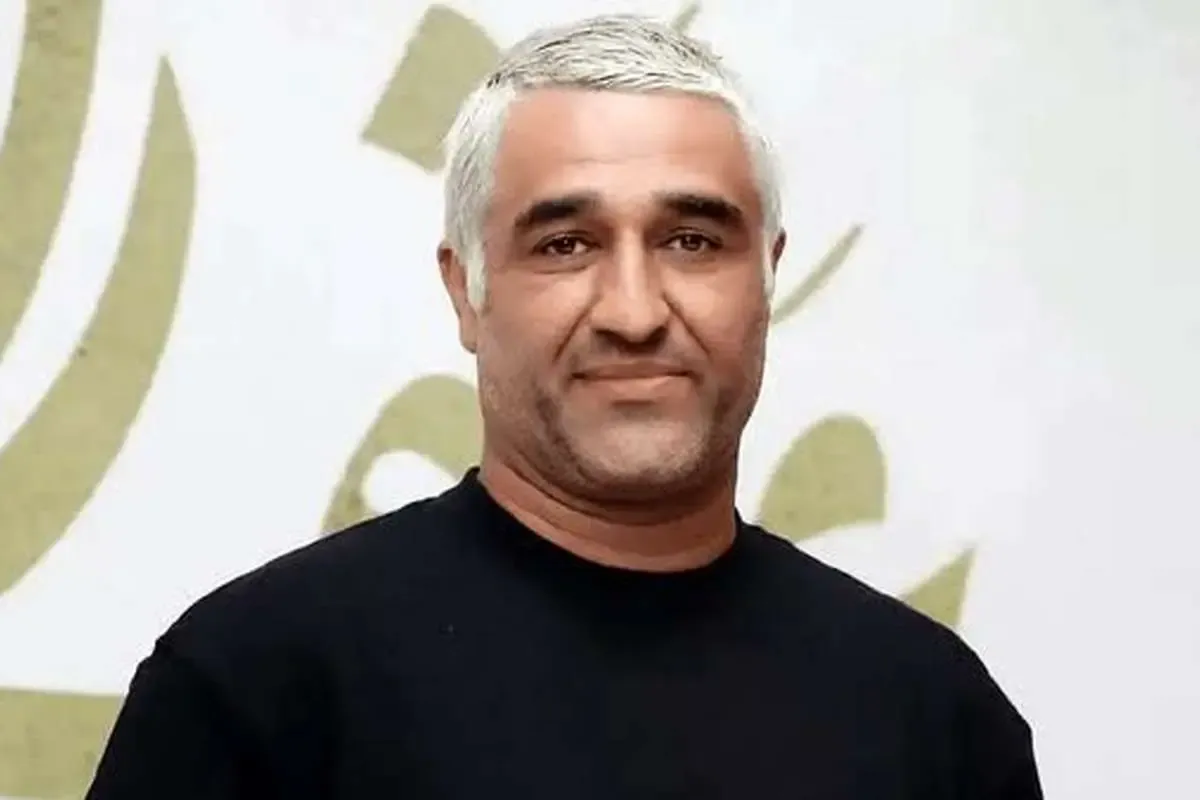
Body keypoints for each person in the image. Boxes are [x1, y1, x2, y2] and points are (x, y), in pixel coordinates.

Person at [85, 13, 1042, 799]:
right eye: (565, 245)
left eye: (692, 241)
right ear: (466, 292)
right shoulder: (257, 689)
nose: (634, 312)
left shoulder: (932, 715)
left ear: (767, 278)